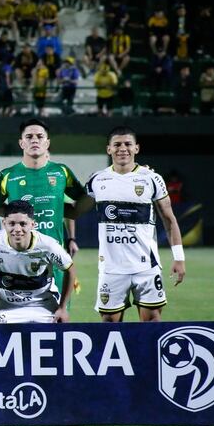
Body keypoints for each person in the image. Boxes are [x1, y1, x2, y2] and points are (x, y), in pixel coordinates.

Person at [0, 118, 92, 297]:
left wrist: (96, 190)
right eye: (29, 136)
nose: (35, 140)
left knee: (57, 320)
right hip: (18, 263)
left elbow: (79, 207)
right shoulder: (8, 176)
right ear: (21, 142)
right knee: (20, 320)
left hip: (54, 261)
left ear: (47, 142)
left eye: (40, 136)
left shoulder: (61, 172)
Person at [86, 126, 186, 322]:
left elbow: (169, 219)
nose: (122, 148)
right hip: (111, 268)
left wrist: (179, 258)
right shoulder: (97, 180)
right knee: (109, 324)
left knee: (152, 323)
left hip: (146, 267)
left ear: (136, 148)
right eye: (117, 144)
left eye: (127, 144)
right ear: (109, 149)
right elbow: (75, 208)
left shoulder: (152, 178)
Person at [0, 200, 75, 323]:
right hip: (6, 308)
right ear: (4, 223)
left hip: (43, 306)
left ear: (32, 224)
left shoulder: (47, 245)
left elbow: (70, 270)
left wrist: (63, 308)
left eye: (23, 224)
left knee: (53, 339)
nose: (17, 229)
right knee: (0, 338)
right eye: (12, 223)